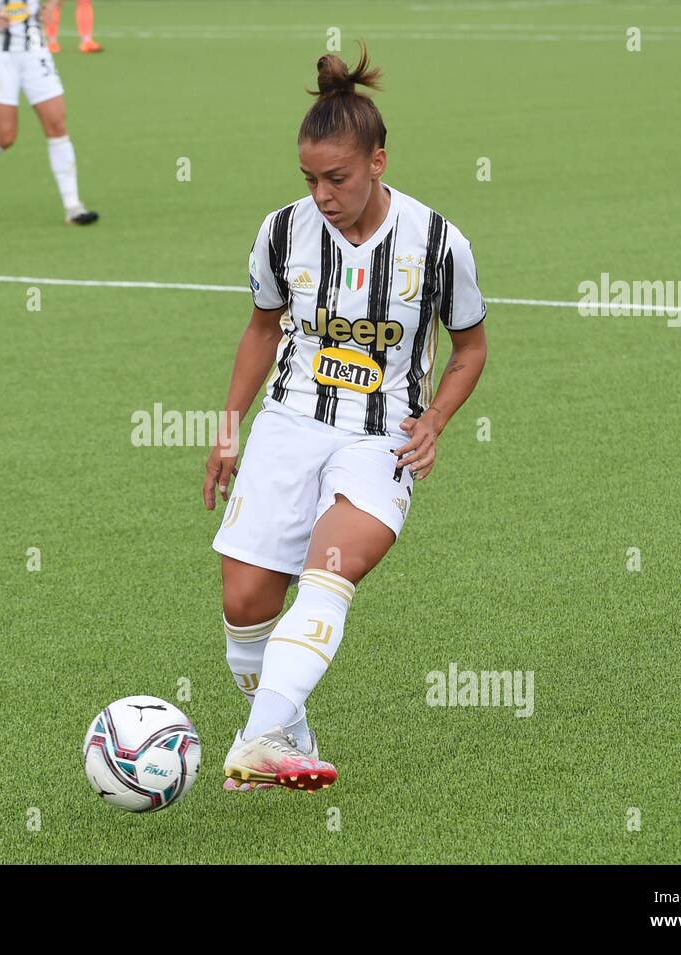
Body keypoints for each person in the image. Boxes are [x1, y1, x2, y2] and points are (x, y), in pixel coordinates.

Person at [203, 47, 489, 792]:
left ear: (379, 161)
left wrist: (437, 421)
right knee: (245, 605)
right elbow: (262, 328)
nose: (323, 195)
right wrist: (229, 427)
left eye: (338, 178)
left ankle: (259, 735)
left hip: (381, 436)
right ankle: (284, 736)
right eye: (310, 179)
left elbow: (471, 348)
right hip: (289, 424)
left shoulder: (438, 243)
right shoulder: (282, 232)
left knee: (330, 569)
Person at [0, 0, 98, 225]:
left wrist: (51, 6)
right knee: (6, 137)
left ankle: (73, 207)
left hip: (36, 50)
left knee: (57, 125)